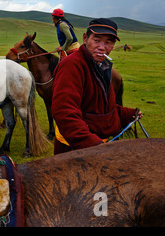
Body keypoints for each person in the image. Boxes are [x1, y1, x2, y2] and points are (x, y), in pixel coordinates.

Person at [51, 18, 142, 155]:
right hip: (73, 150)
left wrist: (128, 114)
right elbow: (65, 112)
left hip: (96, 147)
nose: (102, 47)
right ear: (85, 38)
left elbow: (100, 107)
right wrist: (93, 146)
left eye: (108, 42)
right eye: (97, 40)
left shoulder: (102, 66)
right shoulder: (72, 65)